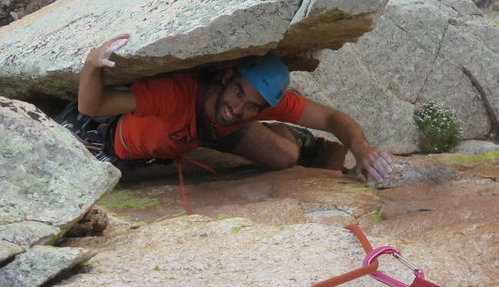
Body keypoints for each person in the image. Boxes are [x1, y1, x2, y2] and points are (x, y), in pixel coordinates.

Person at [67, 33, 393, 184]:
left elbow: (332, 118)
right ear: (226, 76)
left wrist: (362, 149)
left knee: (286, 158)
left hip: (208, 134)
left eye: (252, 106)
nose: (237, 108)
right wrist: (91, 65)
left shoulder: (253, 104)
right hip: (123, 144)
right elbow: (93, 105)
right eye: (238, 92)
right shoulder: (174, 96)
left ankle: (291, 135)